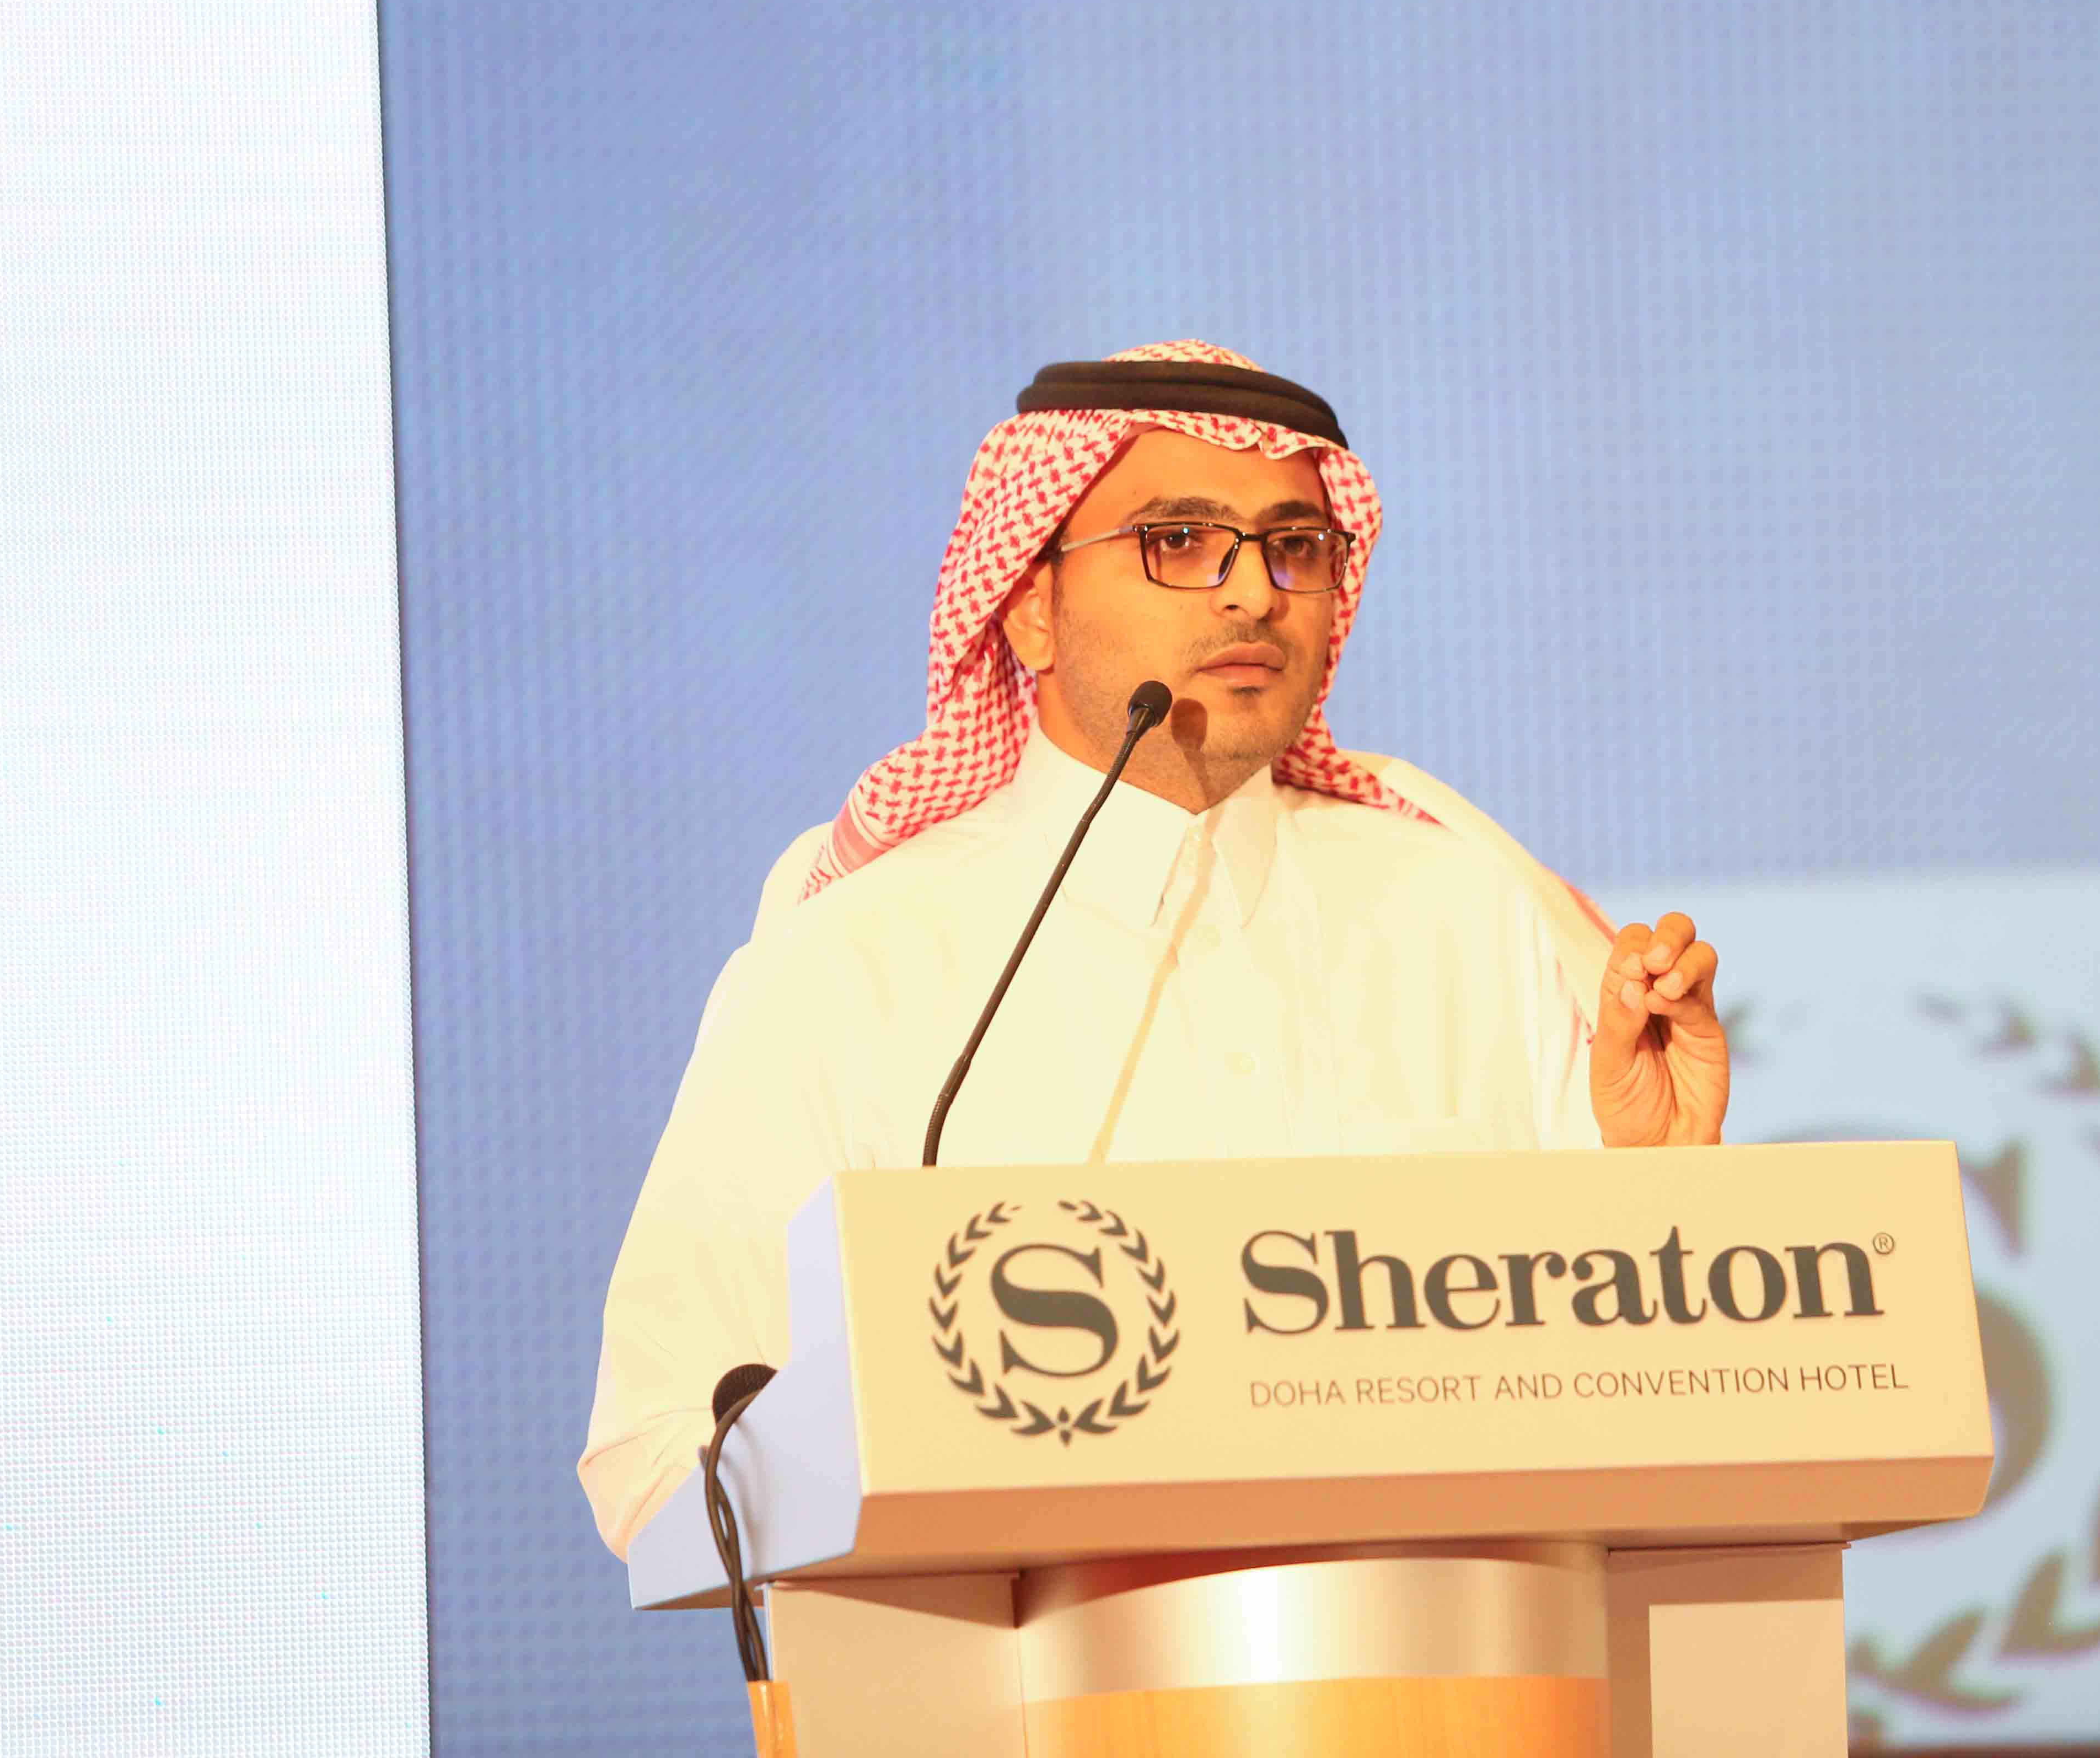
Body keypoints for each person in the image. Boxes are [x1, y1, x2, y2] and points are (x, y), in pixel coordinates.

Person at [580, 342, 1733, 1557]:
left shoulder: (1463, 911)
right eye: (1178, 540)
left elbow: (1645, 1407)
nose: (1253, 595)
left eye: (1295, 546)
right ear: (1029, 604)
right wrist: (942, 1447)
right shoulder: (857, 966)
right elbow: (659, 1463)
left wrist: (1658, 1198)